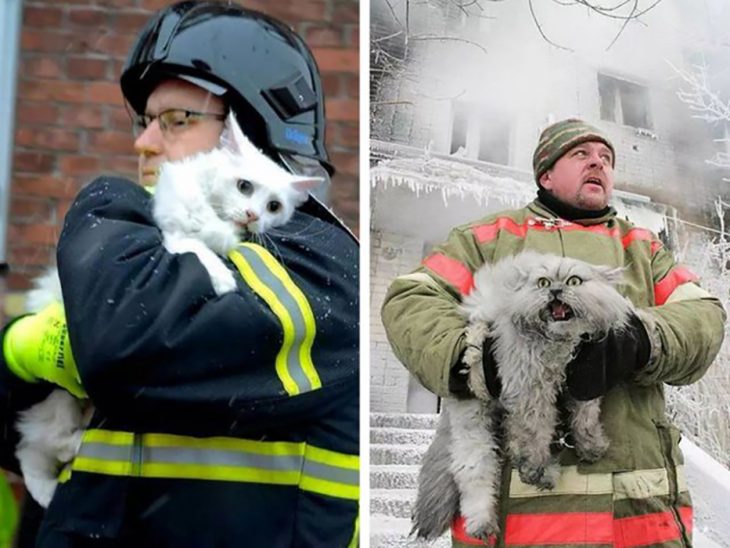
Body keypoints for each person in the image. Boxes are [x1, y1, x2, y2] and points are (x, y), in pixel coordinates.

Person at [0, 2, 359, 547]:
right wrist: (15, 353)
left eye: (176, 120)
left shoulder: (318, 264)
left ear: (252, 133)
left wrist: (107, 202)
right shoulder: (149, 257)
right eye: (144, 122)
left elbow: (127, 342)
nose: (143, 144)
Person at [382, 118, 726, 547]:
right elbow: (409, 299)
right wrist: (476, 361)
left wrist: (639, 340)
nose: (597, 163)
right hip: (515, 527)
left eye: (606, 158)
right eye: (581, 154)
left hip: (637, 517)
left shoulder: (643, 248)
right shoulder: (486, 238)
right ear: (545, 173)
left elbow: (705, 315)